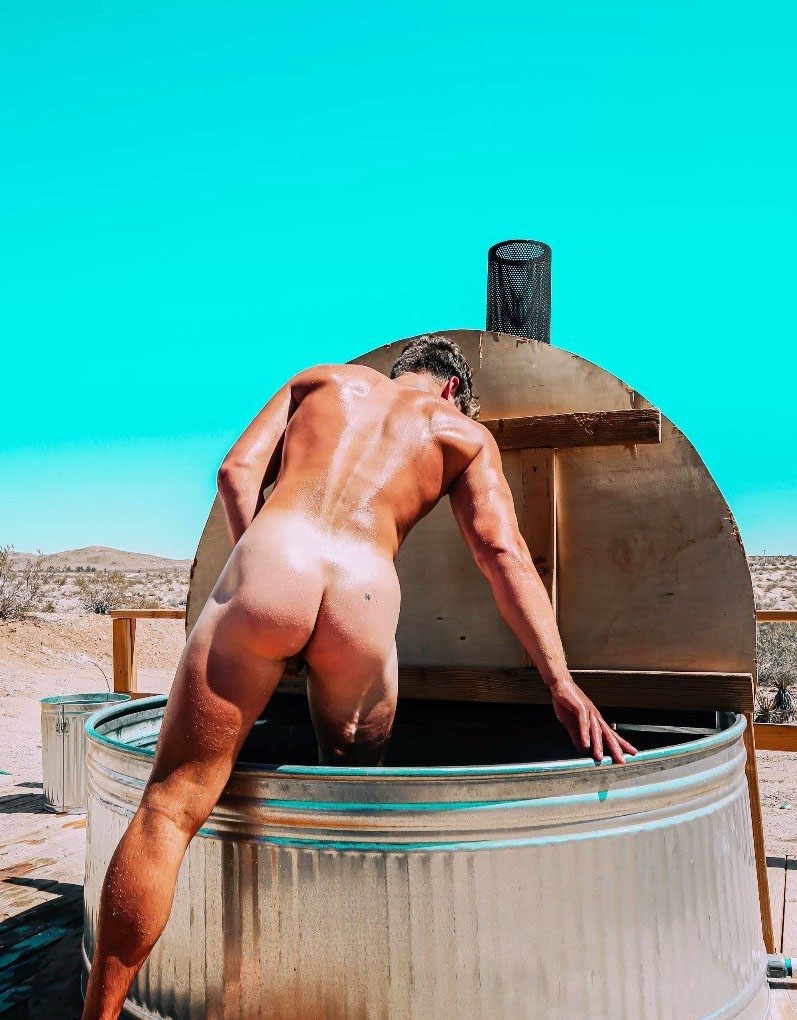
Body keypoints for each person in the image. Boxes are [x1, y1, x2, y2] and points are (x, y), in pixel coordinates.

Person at [81, 334, 636, 1020]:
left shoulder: (321, 380)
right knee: (346, 803)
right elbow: (502, 553)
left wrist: (260, 570)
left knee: (169, 808)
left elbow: (234, 473)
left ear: (399, 372)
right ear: (452, 389)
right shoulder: (461, 433)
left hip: (275, 559)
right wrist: (560, 683)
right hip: (364, 595)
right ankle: (333, 983)